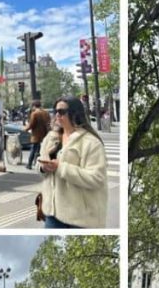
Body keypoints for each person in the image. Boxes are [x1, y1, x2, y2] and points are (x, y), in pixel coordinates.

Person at [37, 96, 108, 228]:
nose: (57, 115)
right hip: (52, 214)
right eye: (55, 111)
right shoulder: (51, 138)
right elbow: (40, 163)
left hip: (80, 218)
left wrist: (60, 168)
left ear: (75, 113)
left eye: (62, 111)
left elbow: (97, 178)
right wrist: (42, 168)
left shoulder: (91, 142)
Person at [25, 100, 50, 170]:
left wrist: (25, 129)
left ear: (34, 106)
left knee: (33, 149)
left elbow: (31, 124)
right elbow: (48, 123)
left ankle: (29, 164)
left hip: (36, 134)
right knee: (42, 149)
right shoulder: (46, 113)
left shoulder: (34, 113)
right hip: (45, 133)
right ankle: (39, 163)